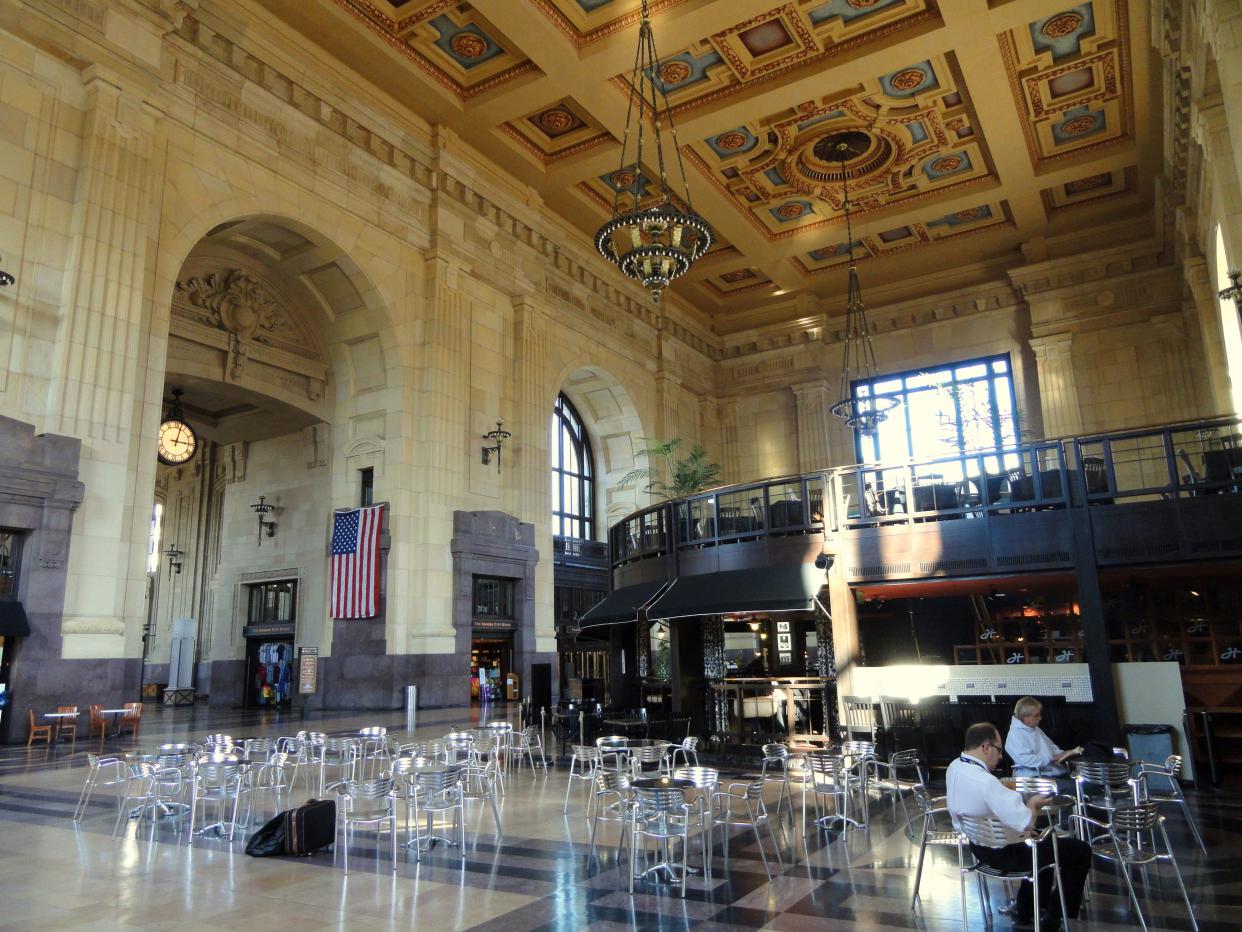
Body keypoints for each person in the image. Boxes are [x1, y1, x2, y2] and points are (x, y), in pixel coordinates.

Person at [947, 722, 1092, 930]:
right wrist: (1033, 804)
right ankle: (1054, 916)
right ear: (986, 747)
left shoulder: (954, 767)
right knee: (1079, 851)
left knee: (1045, 840)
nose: (1000, 756)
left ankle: (1026, 908)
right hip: (1006, 856)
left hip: (978, 847)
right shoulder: (987, 783)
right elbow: (1026, 821)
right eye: (998, 750)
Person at [1005, 696, 1082, 794]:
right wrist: (1051, 758)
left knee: (1084, 782)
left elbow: (1052, 748)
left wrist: (1065, 754)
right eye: (1036, 715)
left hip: (1052, 773)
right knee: (1078, 787)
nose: (1040, 718)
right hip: (1034, 777)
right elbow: (1026, 760)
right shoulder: (1015, 735)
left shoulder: (1035, 729)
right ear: (1025, 716)